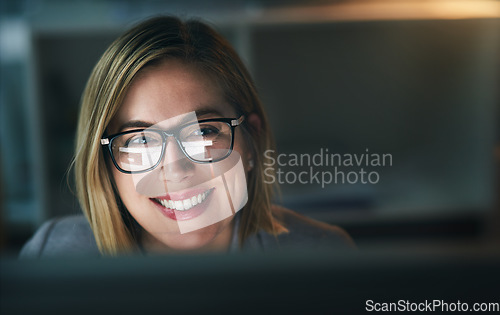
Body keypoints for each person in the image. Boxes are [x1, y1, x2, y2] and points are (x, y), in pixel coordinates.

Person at [20, 16, 354, 257]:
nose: (176, 169)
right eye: (140, 140)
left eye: (204, 131)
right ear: (104, 164)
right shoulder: (52, 256)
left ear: (251, 141)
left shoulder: (323, 254)